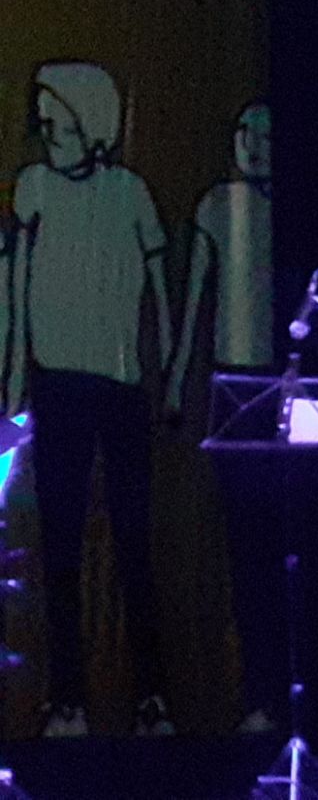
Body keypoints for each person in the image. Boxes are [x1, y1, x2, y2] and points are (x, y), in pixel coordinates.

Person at [12, 60, 175, 738]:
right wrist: (16, 384)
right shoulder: (34, 186)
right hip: (58, 386)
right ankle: (68, 699)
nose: (49, 133)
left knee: (134, 543)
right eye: (44, 122)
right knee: (60, 549)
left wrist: (166, 375)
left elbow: (160, 290)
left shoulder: (128, 193)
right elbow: (19, 288)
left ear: (92, 122)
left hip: (121, 390)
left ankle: (151, 697)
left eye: (61, 122)